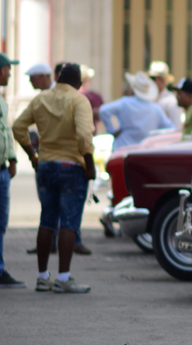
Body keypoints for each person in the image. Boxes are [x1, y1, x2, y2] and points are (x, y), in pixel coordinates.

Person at [13, 61, 95, 294]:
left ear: (57, 78)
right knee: (69, 223)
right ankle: (63, 277)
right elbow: (84, 136)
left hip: (46, 165)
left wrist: (33, 155)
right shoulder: (79, 100)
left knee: (47, 220)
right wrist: (89, 165)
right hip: (71, 166)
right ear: (78, 83)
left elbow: (19, 127)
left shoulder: (41, 99)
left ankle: (42, 277)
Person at [98, 72, 172, 149]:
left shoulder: (125, 103)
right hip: (145, 150)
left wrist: (112, 130)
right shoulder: (155, 109)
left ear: (132, 89)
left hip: (123, 148)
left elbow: (103, 110)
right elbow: (170, 128)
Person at [0, 51, 22, 288]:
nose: (10, 73)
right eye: (7, 68)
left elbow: (4, 133)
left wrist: (12, 158)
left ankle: (0, 269)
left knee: (1, 223)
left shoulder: (2, 100)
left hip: (2, 169)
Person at [148, 62, 183, 129]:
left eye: (154, 79)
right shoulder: (150, 99)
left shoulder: (171, 101)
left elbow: (176, 126)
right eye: (151, 79)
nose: (152, 82)